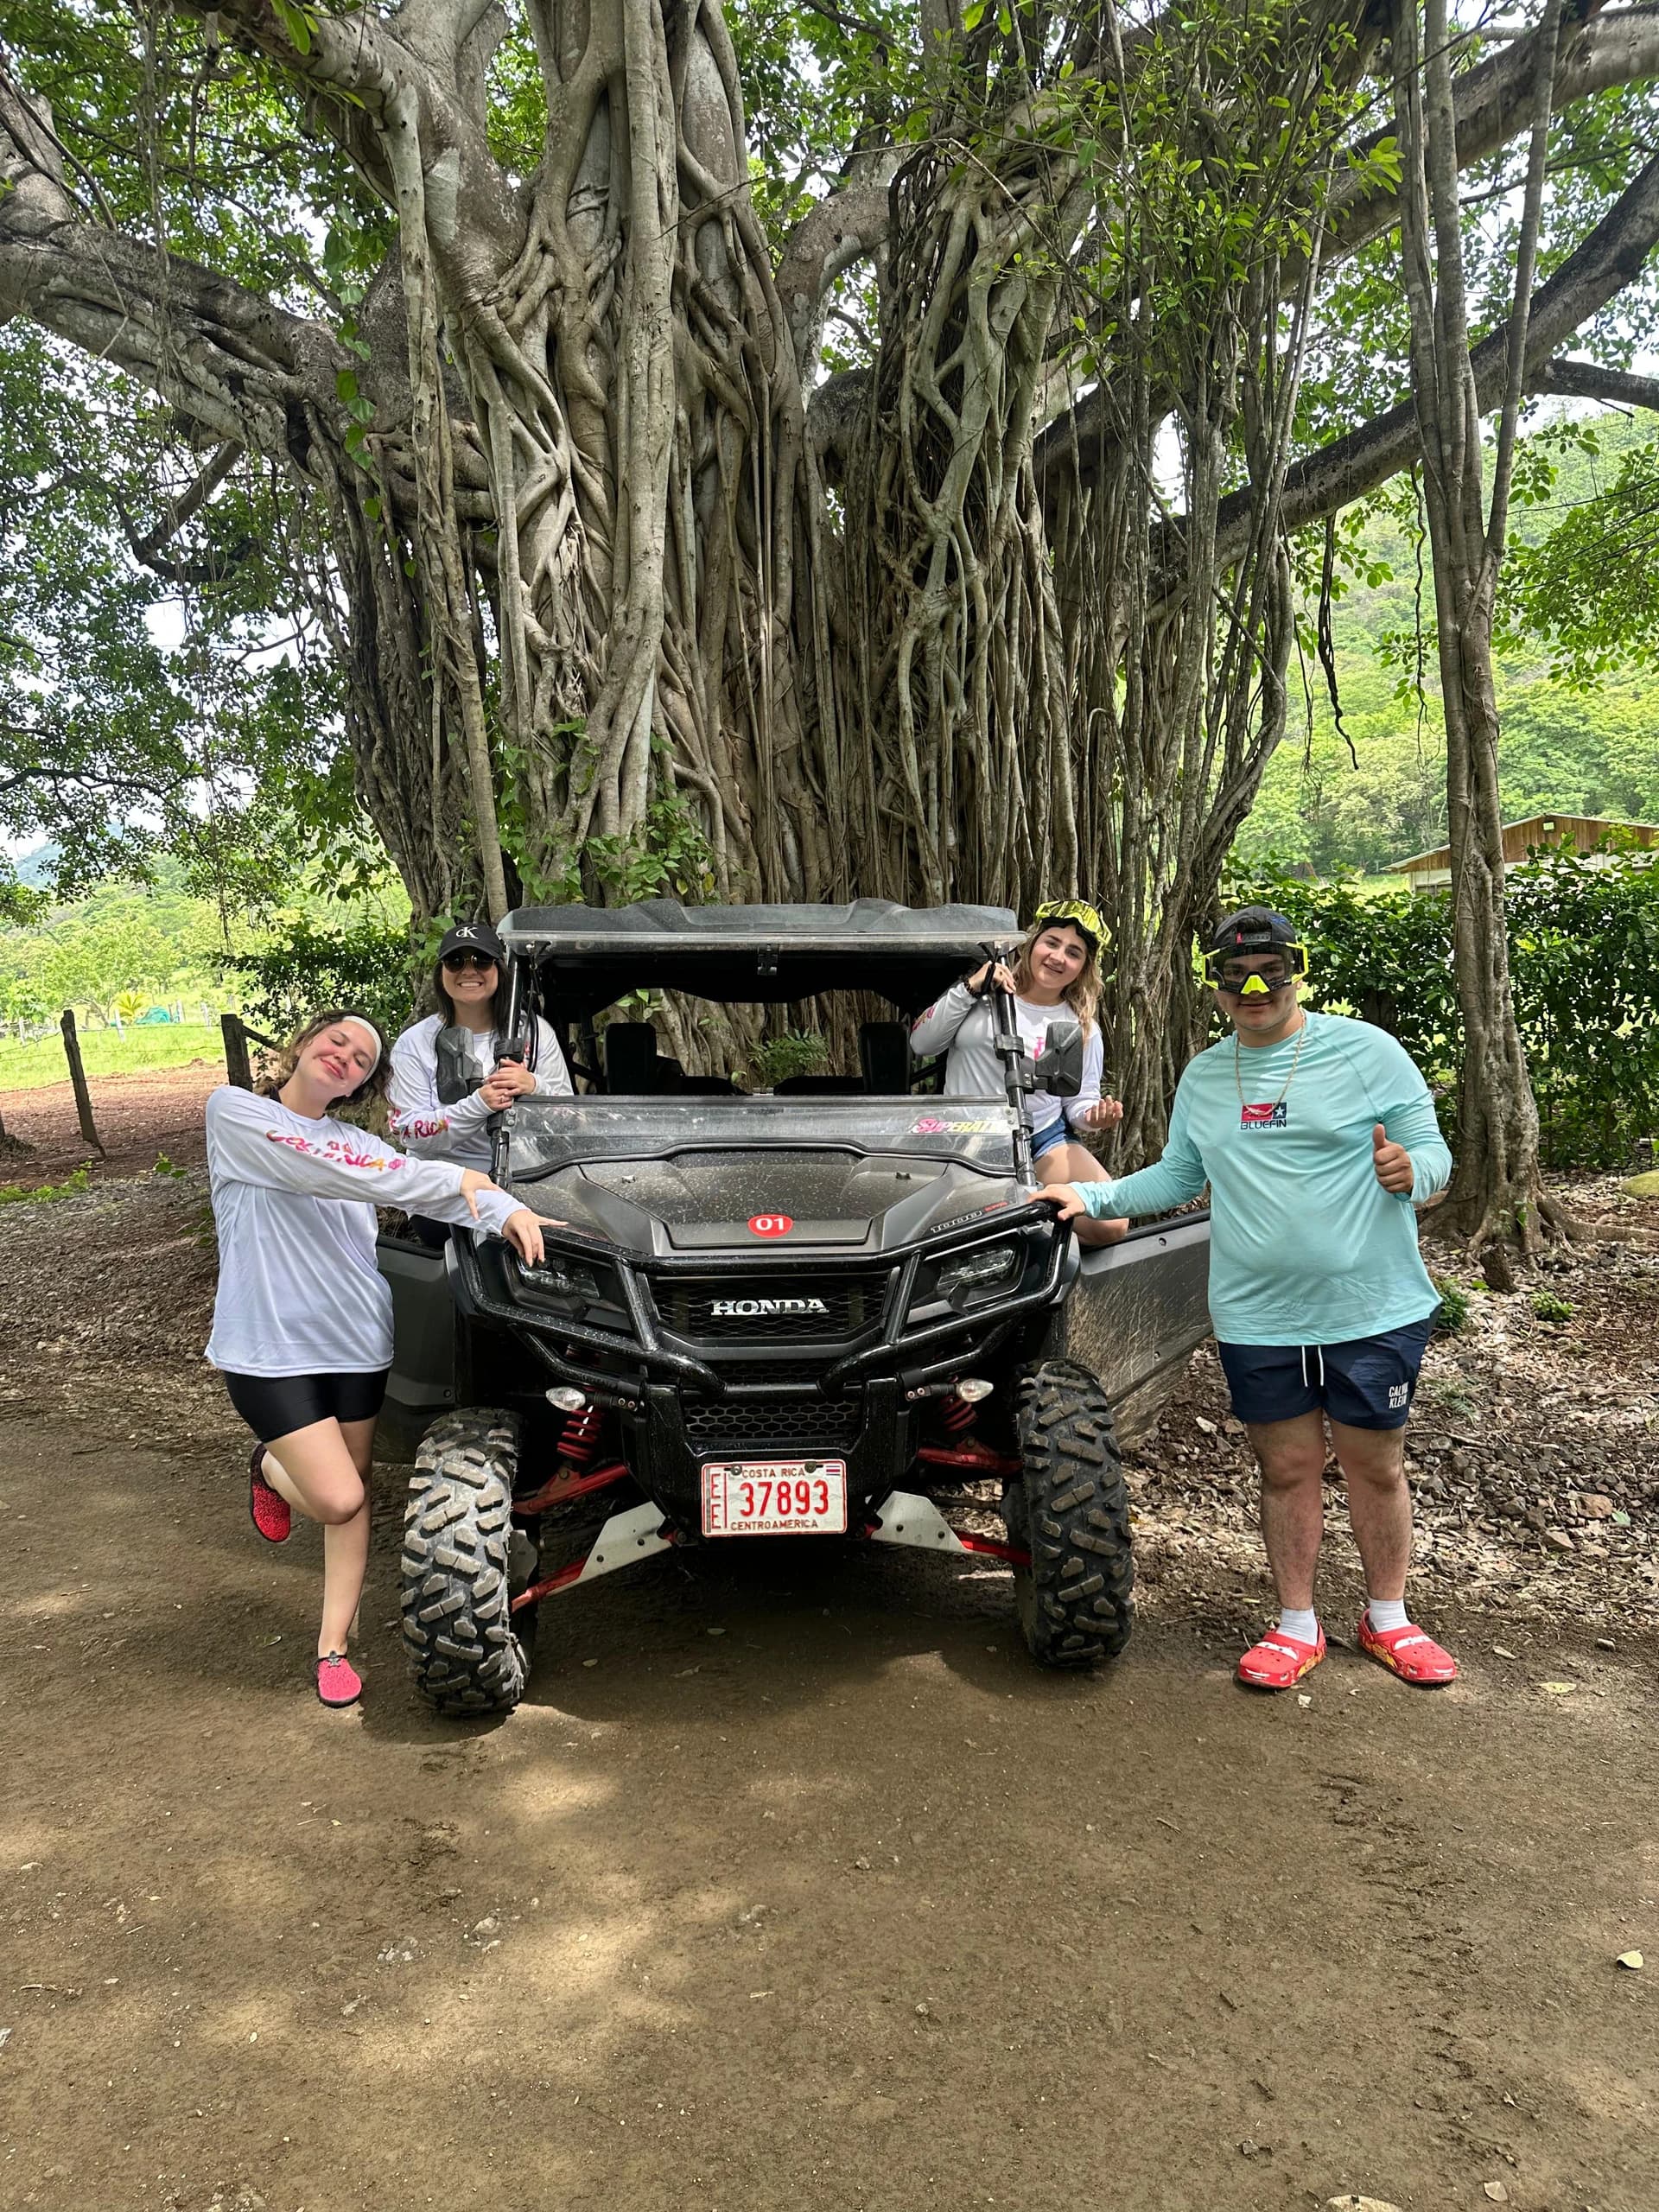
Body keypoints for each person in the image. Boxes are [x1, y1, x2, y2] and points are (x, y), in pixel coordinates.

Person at [1039, 906, 1459, 1691]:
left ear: (1298, 971)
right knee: (1287, 1465)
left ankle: (1388, 1616)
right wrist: (1086, 1200)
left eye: (1271, 972)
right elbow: (1179, 1177)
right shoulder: (1205, 1074)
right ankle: (1297, 1623)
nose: (1256, 990)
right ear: (1217, 987)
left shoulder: (1366, 1052)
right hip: (1257, 1311)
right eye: (1235, 978)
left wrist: (1416, 1173)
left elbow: (1431, 1149)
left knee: (1375, 1464)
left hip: (1372, 1303)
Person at [205, 1009, 558, 1709]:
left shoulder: (353, 1140)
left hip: (356, 1342)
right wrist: (467, 1187)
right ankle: (272, 1470)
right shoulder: (237, 1114)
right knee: (339, 1496)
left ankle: (332, 1645)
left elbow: (408, 1173)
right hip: (269, 1346)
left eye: (363, 1057)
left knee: (355, 1489)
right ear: (304, 1045)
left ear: (365, 1081)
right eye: (337, 1041)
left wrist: (500, 1208)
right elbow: (369, 1175)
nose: (346, 1056)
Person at [909, 899, 1128, 1246]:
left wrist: (1094, 1118)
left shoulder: (1079, 1025)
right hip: (961, 1133)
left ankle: (1029, 1231)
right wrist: (971, 986)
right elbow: (922, 1043)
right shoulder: (980, 998)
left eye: (1074, 953)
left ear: (1084, 967)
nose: (1058, 958)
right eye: (1051, 943)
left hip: (1036, 1136)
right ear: (1031, 944)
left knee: (1111, 1223)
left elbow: (1077, 1102)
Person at [389, 920, 573, 1185]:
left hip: (523, 1180)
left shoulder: (535, 1032)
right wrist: (478, 1105)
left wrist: (534, 1087)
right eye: (455, 961)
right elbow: (408, 1131)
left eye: (481, 961)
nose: (468, 970)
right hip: (442, 1185)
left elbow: (571, 1120)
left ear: (499, 968)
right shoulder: (414, 1044)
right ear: (441, 972)